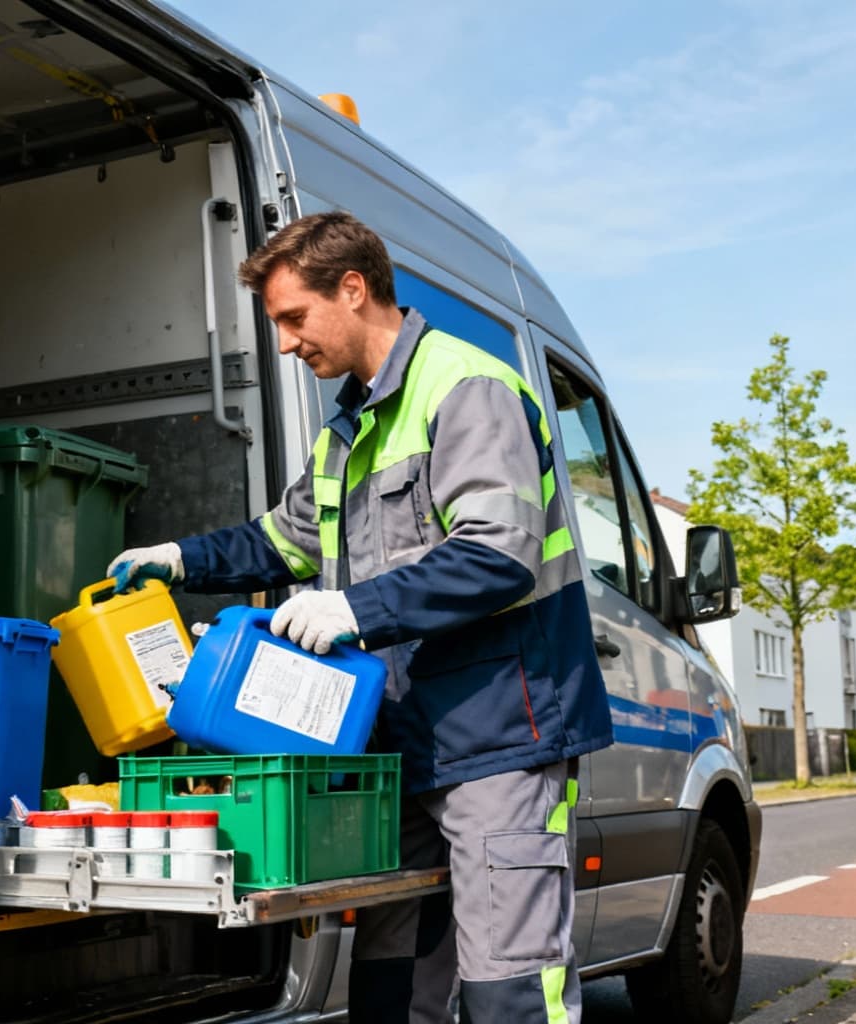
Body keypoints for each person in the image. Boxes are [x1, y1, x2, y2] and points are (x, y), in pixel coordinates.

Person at [108, 211, 613, 1022]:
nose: (283, 343)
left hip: (498, 736)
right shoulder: (349, 430)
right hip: (400, 742)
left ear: (353, 289)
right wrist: (181, 558)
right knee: (391, 975)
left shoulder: (466, 387)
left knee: (510, 982)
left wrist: (353, 608)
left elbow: (499, 554)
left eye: (292, 318)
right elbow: (287, 537)